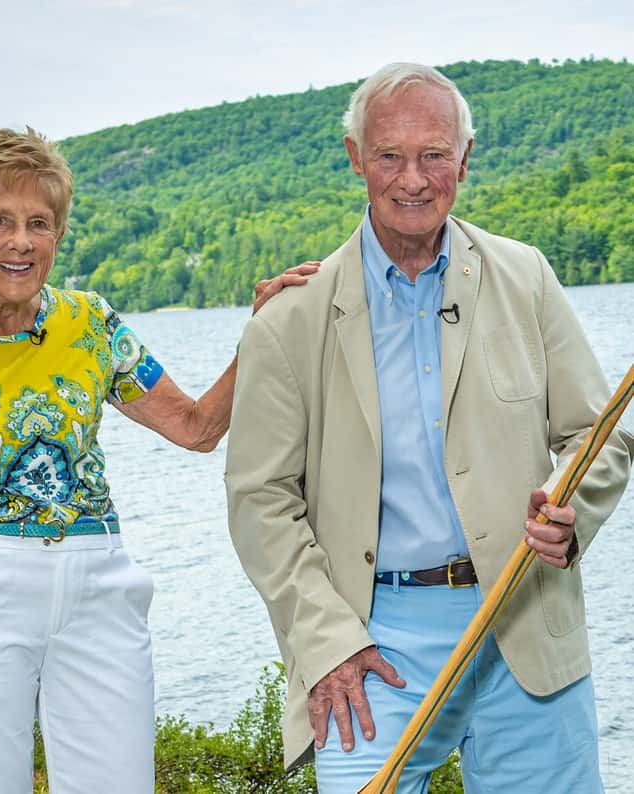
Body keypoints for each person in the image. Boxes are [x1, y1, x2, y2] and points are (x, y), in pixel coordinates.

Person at [0, 126, 317, 794]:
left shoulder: (90, 323)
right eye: (1, 222)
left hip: (98, 581)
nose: (22, 242)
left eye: (40, 223)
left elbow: (195, 428)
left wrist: (260, 334)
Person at [225, 63, 634, 793]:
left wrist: (571, 516)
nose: (412, 178)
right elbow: (261, 502)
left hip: (526, 618)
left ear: (465, 159)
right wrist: (326, 642)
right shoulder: (288, 321)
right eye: (390, 156)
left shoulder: (528, 278)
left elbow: (598, 436)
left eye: (434, 155)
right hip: (369, 642)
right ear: (355, 158)